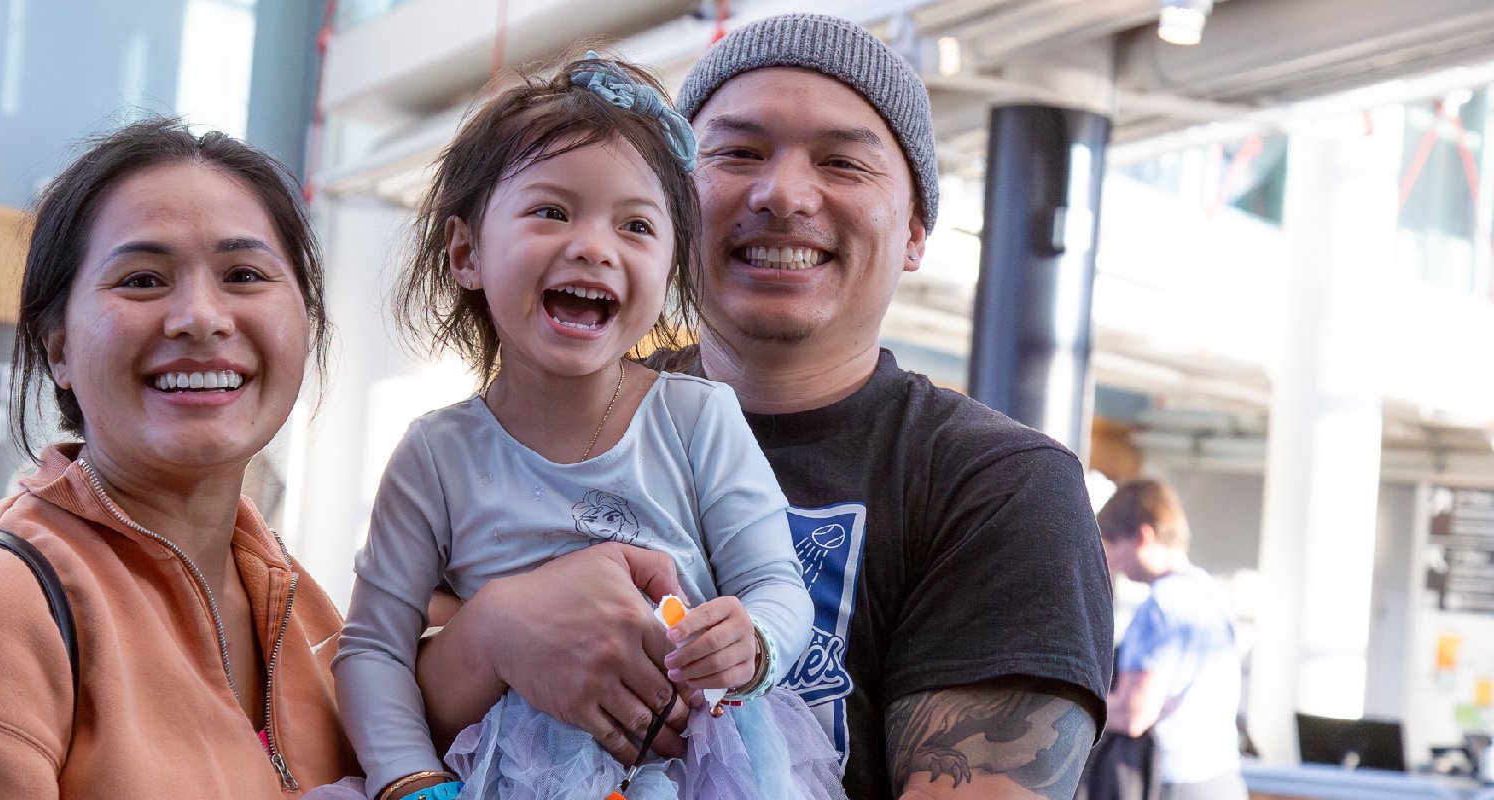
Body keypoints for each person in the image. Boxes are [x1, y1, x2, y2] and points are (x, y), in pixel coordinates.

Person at [415, 13, 1115, 799]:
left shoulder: (998, 488)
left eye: (843, 162)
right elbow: (381, 724)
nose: (782, 192)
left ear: (916, 231)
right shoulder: (530, 422)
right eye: (738, 153)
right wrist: (497, 630)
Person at [321, 53, 841, 800]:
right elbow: (372, 647)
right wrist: (410, 777)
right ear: (466, 251)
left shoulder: (696, 417)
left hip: (698, 771)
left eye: (635, 225)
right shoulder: (436, 456)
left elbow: (775, 584)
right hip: (503, 775)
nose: (595, 246)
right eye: (552, 211)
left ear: (667, 277)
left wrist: (751, 641)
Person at [0, 119, 356, 797]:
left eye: (243, 275)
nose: (201, 318)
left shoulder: (302, 608)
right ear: (57, 347)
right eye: (143, 280)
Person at [1099, 480, 1246, 800]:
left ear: (1143, 536)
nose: (1111, 559)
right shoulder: (1209, 594)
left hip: (1177, 782)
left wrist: (1074, 707)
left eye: (1112, 542)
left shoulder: (1161, 607)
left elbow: (1134, 713)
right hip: (1221, 779)